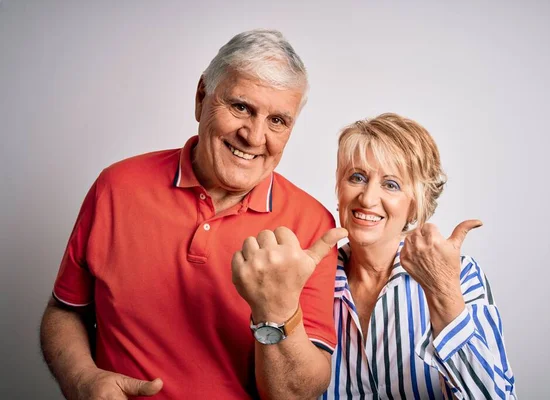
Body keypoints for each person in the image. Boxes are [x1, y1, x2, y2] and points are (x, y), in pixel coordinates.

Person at [40, 29, 346, 399]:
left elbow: (295, 394)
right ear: (202, 97)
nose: (254, 136)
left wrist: (277, 311)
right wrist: (82, 379)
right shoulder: (116, 187)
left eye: (278, 121)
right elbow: (65, 310)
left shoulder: (312, 225)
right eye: (241, 107)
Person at [320, 113, 517, 399]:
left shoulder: (459, 276)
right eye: (357, 177)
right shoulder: (311, 278)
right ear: (339, 189)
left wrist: (443, 293)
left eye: (391, 184)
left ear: (416, 205)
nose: (367, 198)